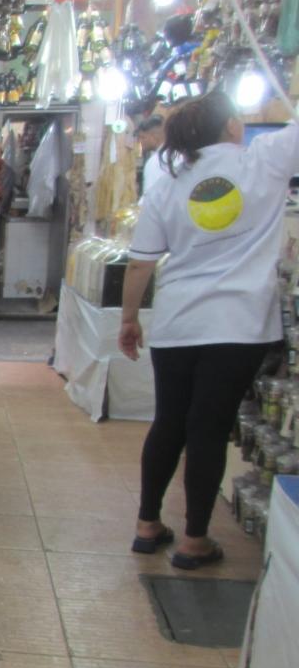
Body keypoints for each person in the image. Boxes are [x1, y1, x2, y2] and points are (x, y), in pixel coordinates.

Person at [119, 89, 292, 569]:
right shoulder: (264, 160)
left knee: (169, 421)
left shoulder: (169, 183)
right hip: (240, 323)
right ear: (232, 125)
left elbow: (140, 263)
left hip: (178, 320)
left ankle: (147, 524)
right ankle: (195, 539)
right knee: (209, 427)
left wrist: (129, 319)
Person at [135, 115, 168, 196]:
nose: (140, 141)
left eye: (143, 137)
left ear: (155, 136)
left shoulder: (156, 162)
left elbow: (149, 197)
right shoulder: (176, 154)